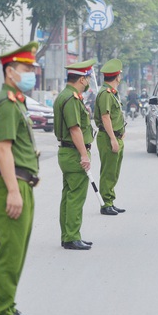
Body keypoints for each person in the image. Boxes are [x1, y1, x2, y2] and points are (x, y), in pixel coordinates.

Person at [0, 42, 40, 315]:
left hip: (22, 182)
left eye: (32, 68)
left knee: (17, 250)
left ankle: (8, 306)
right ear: (10, 72)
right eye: (25, 68)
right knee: (10, 250)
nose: (31, 72)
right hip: (11, 186)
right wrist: (14, 191)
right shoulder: (6, 103)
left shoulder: (16, 101)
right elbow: (3, 150)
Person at [54, 60, 96, 250]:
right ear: (81, 79)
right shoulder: (71, 98)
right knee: (76, 197)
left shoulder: (65, 95)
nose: (88, 81)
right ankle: (72, 237)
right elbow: (75, 129)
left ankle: (67, 235)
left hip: (67, 152)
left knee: (68, 195)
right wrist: (84, 155)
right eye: (87, 78)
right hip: (73, 152)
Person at [93, 59, 126, 216]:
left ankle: (110, 200)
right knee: (108, 172)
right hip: (108, 137)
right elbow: (105, 118)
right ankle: (106, 203)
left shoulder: (112, 93)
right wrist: (113, 139)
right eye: (120, 74)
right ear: (117, 77)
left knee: (114, 171)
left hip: (115, 135)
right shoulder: (105, 94)